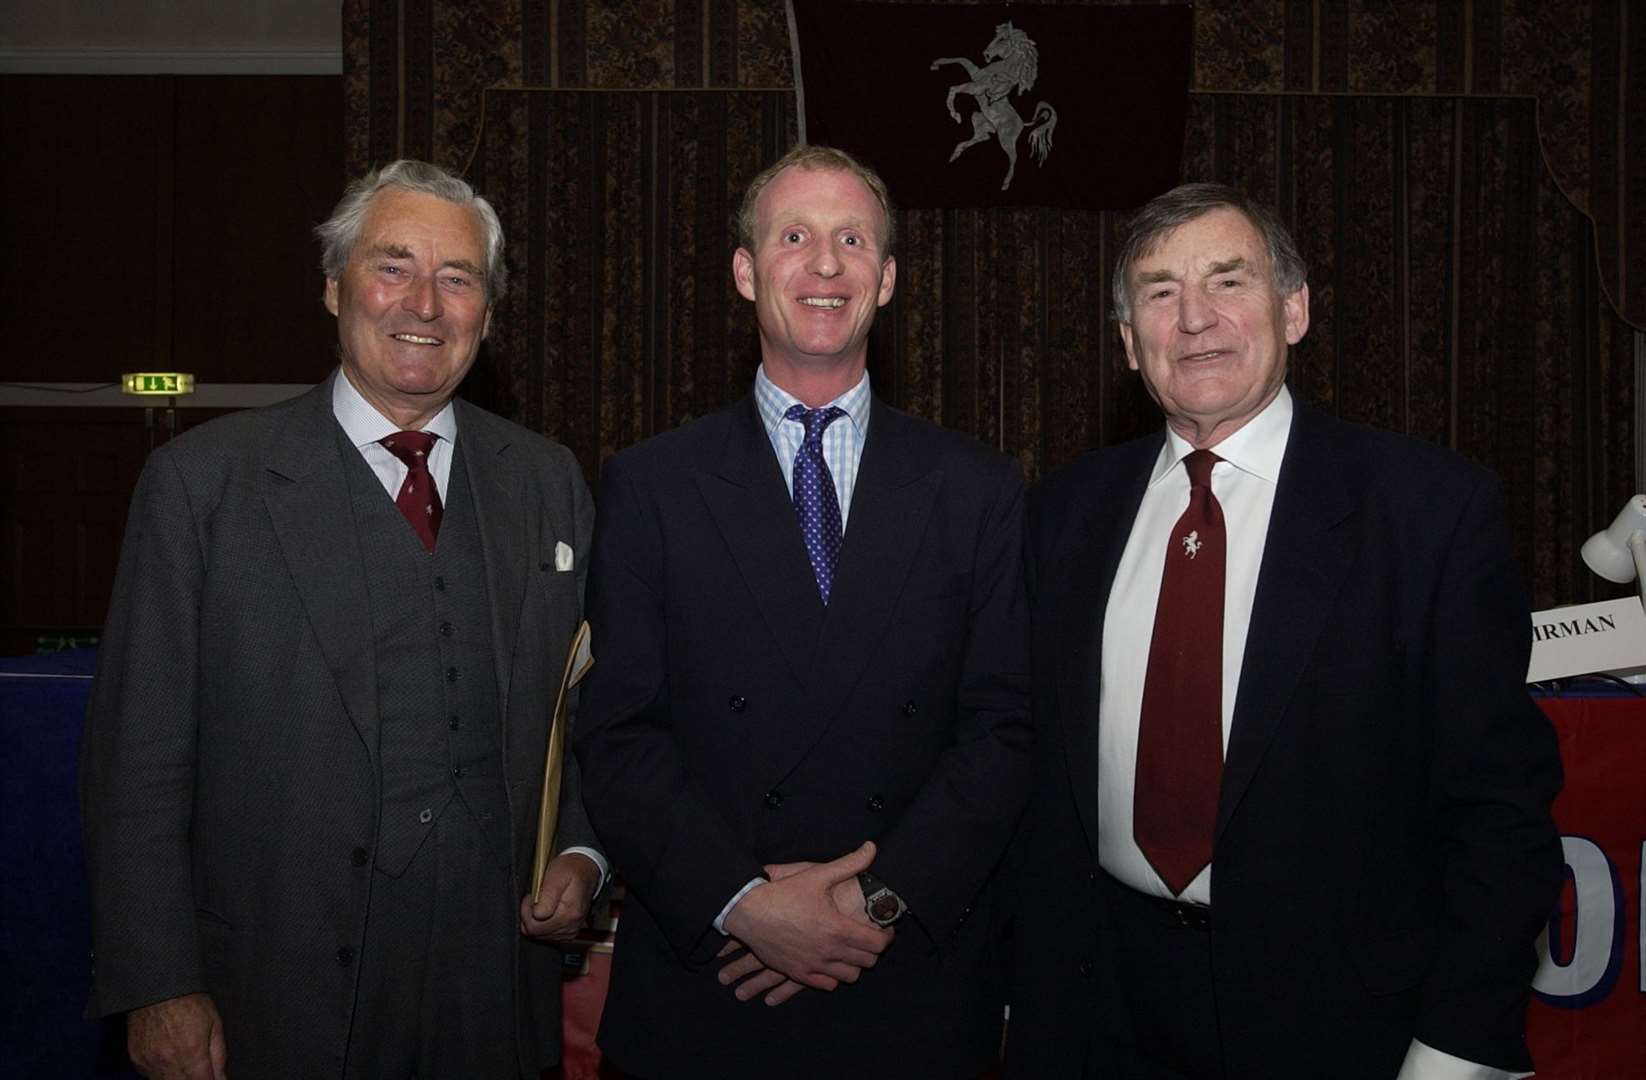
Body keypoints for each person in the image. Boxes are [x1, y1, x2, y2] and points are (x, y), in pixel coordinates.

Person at [1005, 182, 1564, 1080]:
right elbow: (1027, 765)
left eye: (1229, 281)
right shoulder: (1063, 513)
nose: (1194, 319)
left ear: (1293, 309)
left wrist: (1461, 1041)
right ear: (1127, 343)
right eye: (1159, 292)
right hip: (1094, 1006)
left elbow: (1500, 811)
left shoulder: (1427, 514)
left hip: (1339, 1021)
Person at [80, 159, 607, 1079]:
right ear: (334, 287)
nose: (425, 303)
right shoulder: (204, 486)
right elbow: (136, 757)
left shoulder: (546, 480)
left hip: (495, 987)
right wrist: (157, 982)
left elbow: (590, 709)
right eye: (393, 265)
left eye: (458, 278)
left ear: (487, 310)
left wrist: (583, 848)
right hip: (279, 990)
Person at [573, 144, 1032, 1077]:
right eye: (795, 237)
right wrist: (741, 901)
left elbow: (1008, 731)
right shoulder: (652, 484)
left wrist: (878, 900)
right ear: (747, 273)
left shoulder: (977, 489)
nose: (825, 264)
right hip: (711, 983)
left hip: (905, 986)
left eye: (852, 240)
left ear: (888, 278)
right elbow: (619, 734)